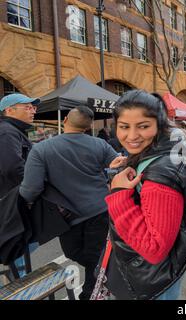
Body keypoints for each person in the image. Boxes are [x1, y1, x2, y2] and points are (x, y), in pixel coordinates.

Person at [102, 90, 186, 300]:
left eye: (143, 126)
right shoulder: (166, 152)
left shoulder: (159, 177)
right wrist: (117, 174)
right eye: (124, 127)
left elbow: (154, 249)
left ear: (159, 125)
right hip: (153, 277)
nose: (131, 136)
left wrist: (119, 194)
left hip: (150, 284)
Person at [19, 106, 125, 300]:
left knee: (76, 253)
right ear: (90, 125)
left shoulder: (42, 148)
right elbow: (118, 163)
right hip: (100, 209)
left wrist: (23, 203)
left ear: (65, 119)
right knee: (92, 255)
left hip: (66, 215)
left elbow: (30, 189)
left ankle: (91, 292)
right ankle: (106, 270)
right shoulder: (99, 144)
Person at [0, 93, 40, 278]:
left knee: (19, 248)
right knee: (17, 249)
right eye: (28, 107)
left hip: (12, 200)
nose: (33, 110)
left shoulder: (11, 130)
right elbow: (13, 168)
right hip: (12, 201)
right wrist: (31, 190)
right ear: (9, 110)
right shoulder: (7, 131)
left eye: (33, 107)